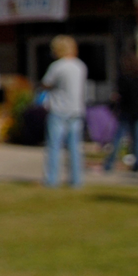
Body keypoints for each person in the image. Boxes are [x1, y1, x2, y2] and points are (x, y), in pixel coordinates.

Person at [40, 35, 88, 188]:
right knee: (75, 148)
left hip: (59, 109)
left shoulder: (57, 66)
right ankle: (76, 180)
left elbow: (46, 84)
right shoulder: (80, 66)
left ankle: (52, 180)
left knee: (54, 146)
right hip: (76, 109)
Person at [105, 56, 138, 172]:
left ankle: (109, 164)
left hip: (125, 111)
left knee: (118, 139)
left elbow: (119, 95)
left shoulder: (123, 79)